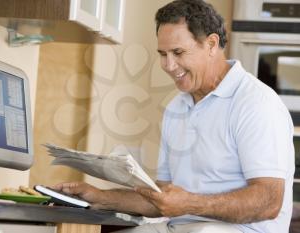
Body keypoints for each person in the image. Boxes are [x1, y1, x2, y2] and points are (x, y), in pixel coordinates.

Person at [54, 0, 295, 232]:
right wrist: (99, 196)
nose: (169, 65)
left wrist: (188, 204)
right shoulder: (177, 108)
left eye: (178, 52)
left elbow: (269, 201)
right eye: (163, 54)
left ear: (211, 44)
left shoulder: (255, 104)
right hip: (180, 226)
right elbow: (165, 200)